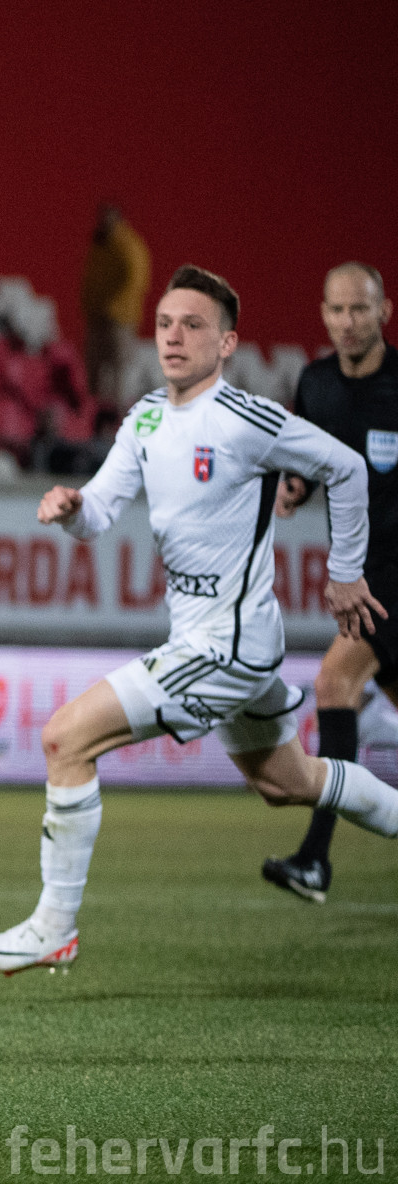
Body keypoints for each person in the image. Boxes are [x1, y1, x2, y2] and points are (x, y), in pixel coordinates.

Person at [0, 265, 394, 975]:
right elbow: (101, 510)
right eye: (165, 323)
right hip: (215, 642)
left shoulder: (246, 419)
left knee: (65, 738)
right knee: (287, 782)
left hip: (226, 648)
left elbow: (346, 468)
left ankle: (53, 928)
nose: (173, 336)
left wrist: (346, 571)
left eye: (193, 325)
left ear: (226, 344)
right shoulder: (145, 418)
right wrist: (72, 508)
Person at [261, 262, 398, 903]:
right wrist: (293, 487)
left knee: (333, 683)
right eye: (338, 310)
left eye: (360, 309)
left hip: (390, 578)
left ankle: (315, 860)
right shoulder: (315, 383)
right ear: (322, 314)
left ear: (385, 312)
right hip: (365, 572)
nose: (348, 322)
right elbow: (311, 460)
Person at [80, 203, 151, 408]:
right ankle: (93, 410)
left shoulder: (128, 244)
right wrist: (89, 303)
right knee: (94, 364)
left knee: (119, 366)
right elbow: (91, 278)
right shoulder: (100, 244)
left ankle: (117, 411)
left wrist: (114, 306)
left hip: (119, 318)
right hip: (97, 315)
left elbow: (136, 279)